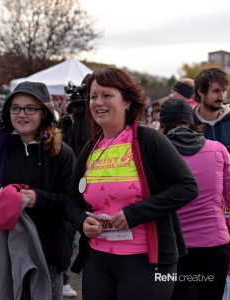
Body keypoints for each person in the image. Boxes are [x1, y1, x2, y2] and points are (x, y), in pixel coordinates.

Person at [65, 67, 198, 300]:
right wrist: (81, 221)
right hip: (99, 258)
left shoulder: (148, 139)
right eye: (93, 96)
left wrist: (134, 213)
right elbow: (72, 198)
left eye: (107, 95)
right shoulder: (92, 146)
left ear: (127, 101)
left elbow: (187, 187)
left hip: (146, 260)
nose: (98, 102)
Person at [0, 81, 76, 299]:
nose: (22, 115)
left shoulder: (62, 153)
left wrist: (37, 199)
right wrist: (0, 197)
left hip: (49, 253)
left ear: (44, 112)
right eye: (16, 108)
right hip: (4, 254)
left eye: (30, 108)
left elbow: (71, 204)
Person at [159, 99, 230, 300]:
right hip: (214, 245)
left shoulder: (155, 152)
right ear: (192, 121)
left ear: (162, 123)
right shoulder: (218, 149)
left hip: (172, 247)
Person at [194, 68, 230, 149]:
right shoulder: (188, 124)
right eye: (216, 91)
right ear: (200, 91)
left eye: (224, 91)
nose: (222, 97)